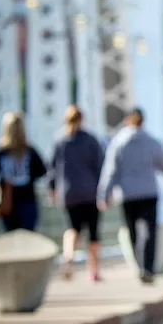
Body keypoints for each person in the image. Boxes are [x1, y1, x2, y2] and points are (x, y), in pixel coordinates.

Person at [98, 108, 163, 284]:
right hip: (149, 192)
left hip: (127, 194)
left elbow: (110, 170)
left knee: (133, 231)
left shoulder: (118, 142)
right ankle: (147, 267)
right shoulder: (151, 141)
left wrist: (104, 194)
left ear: (127, 121)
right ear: (142, 121)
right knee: (149, 231)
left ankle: (139, 265)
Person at [49, 106, 105, 281]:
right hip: (90, 192)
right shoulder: (90, 140)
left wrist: (52, 189)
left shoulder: (60, 140)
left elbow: (52, 168)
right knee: (93, 232)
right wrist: (105, 191)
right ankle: (94, 271)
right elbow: (101, 166)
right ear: (82, 119)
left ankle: (68, 257)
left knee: (73, 228)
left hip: (69, 193)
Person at [0, 112, 46, 232]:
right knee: (26, 237)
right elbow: (42, 171)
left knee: (12, 238)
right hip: (23, 200)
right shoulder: (28, 151)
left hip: (10, 200)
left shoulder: (0, 152)